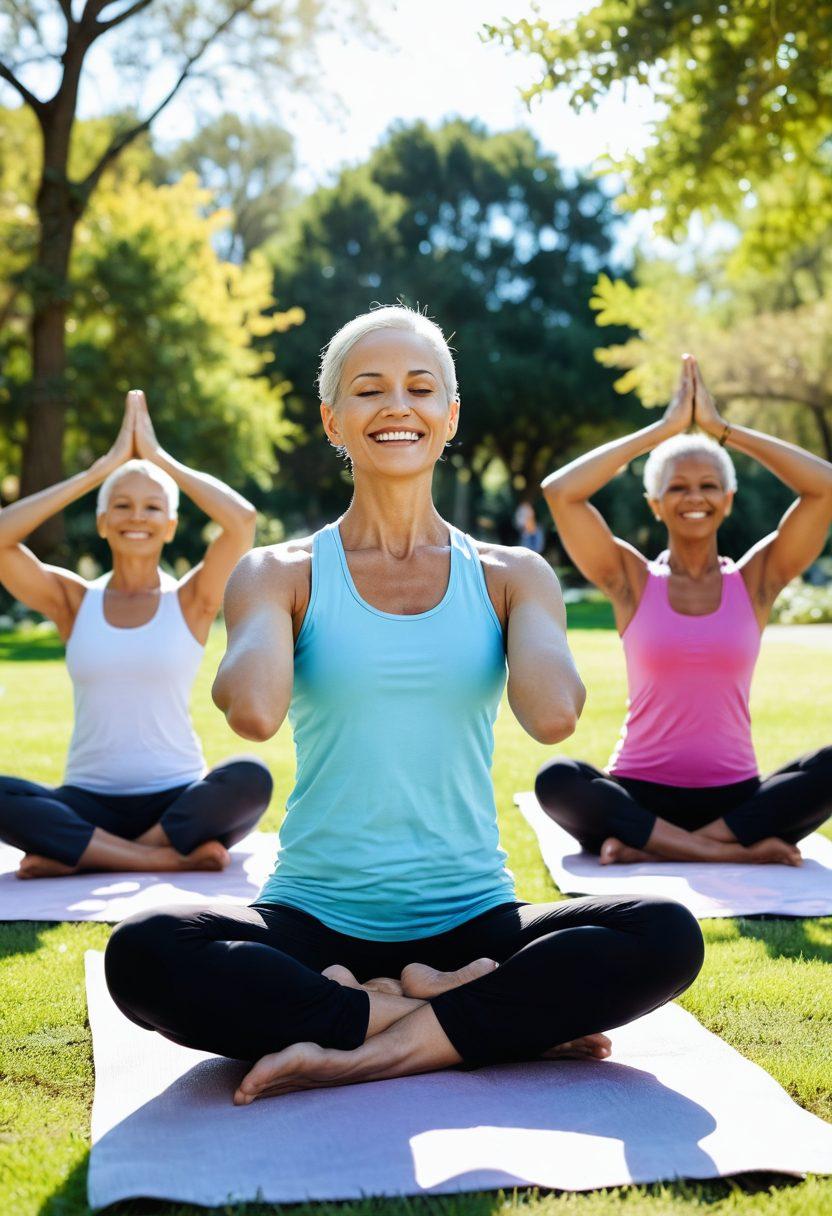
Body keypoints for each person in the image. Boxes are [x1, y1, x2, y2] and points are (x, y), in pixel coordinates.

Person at [105, 306, 703, 1105]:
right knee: (144, 951)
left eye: (421, 388)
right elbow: (252, 712)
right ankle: (451, 1016)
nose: (397, 406)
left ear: (450, 417)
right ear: (332, 420)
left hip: (474, 920)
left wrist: (523, 611)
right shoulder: (279, 571)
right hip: (315, 924)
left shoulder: (510, 573)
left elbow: (553, 715)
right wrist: (266, 617)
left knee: (666, 933)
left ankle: (367, 1040)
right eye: (368, 390)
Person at [536, 355, 832, 867]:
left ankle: (661, 849)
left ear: (729, 499)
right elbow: (561, 492)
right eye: (676, 486)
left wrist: (723, 431)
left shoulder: (757, 580)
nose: (693, 496)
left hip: (736, 799)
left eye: (708, 485)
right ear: (654, 503)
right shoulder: (630, 580)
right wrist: (664, 429)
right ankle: (726, 853)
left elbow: (823, 486)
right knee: (558, 779)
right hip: (637, 795)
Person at [0, 391, 272, 879]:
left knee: (251, 779)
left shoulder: (191, 600)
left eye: (151, 508)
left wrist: (157, 458)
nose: (136, 517)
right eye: (121, 506)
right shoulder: (73, 601)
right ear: (103, 523)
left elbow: (242, 522)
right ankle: (158, 858)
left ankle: (82, 855)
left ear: (170, 526)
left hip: (176, 798)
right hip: (86, 801)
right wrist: (97, 473)